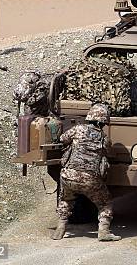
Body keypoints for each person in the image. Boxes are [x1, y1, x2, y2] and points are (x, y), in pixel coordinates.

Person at [52, 103, 121, 242]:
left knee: (66, 200)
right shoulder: (104, 139)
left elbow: (62, 139)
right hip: (90, 179)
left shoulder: (78, 129)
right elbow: (110, 154)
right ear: (104, 121)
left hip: (68, 175)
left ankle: (60, 229)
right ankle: (104, 232)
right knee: (105, 203)